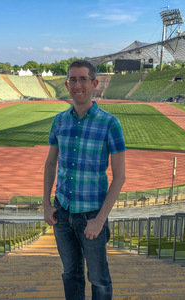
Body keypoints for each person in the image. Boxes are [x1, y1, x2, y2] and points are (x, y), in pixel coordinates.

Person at [43, 59, 126, 300]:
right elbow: (50, 163)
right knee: (70, 273)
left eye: (83, 79)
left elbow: (119, 177)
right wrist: (47, 204)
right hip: (62, 212)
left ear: (95, 84)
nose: (77, 84)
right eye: (72, 79)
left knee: (98, 278)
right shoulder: (59, 121)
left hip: (91, 216)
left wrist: (100, 220)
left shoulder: (110, 124)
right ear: (67, 84)